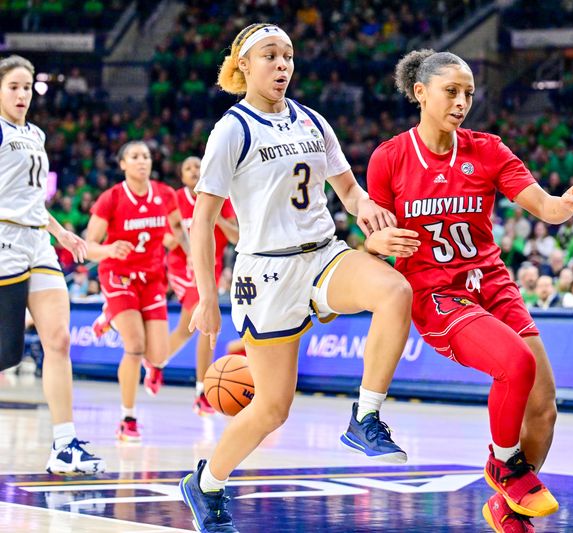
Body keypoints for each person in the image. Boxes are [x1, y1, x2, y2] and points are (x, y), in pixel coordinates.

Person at [180, 23, 415, 532]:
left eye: (288, 56)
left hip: (323, 252)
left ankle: (365, 418)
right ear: (244, 64)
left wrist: (368, 210)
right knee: (271, 410)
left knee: (395, 291)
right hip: (265, 270)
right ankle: (207, 483)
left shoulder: (312, 119)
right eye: (270, 56)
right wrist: (206, 295)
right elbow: (202, 221)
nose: (282, 65)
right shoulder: (232, 130)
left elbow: (349, 191)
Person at [366, 49, 573, 532]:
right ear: (420, 92)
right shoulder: (389, 158)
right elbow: (373, 239)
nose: (461, 102)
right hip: (435, 293)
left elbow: (545, 207)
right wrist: (378, 240)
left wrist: (567, 206)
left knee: (544, 406)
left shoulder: (488, 149)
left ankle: (507, 508)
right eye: (451, 91)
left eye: (468, 93)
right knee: (515, 363)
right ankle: (503, 462)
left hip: (491, 284)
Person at [0, 55, 104, 474]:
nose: (23, 94)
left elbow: (33, 199)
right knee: (5, 353)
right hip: (3, 239)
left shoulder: (37, 134)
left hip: (38, 242)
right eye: (14, 87)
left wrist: (61, 233)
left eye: (28, 87)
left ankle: (64, 445)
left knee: (58, 340)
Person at [85, 140, 189, 442]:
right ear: (123, 164)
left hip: (153, 279)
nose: (142, 161)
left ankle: (119, 327)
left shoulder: (165, 194)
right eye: (134, 156)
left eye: (145, 156)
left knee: (157, 355)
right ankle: (127, 419)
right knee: (134, 346)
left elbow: (177, 230)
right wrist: (108, 249)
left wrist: (183, 249)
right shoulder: (111, 198)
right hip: (119, 277)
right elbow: (88, 247)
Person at [165, 156, 238, 415]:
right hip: (180, 265)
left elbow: (236, 237)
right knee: (202, 322)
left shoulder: (220, 195)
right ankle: (201, 391)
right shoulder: (174, 198)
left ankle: (156, 362)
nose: (194, 170)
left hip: (209, 267)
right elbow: (166, 237)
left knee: (188, 330)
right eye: (187, 168)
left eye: (197, 166)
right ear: (182, 177)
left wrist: (213, 217)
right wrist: (185, 246)